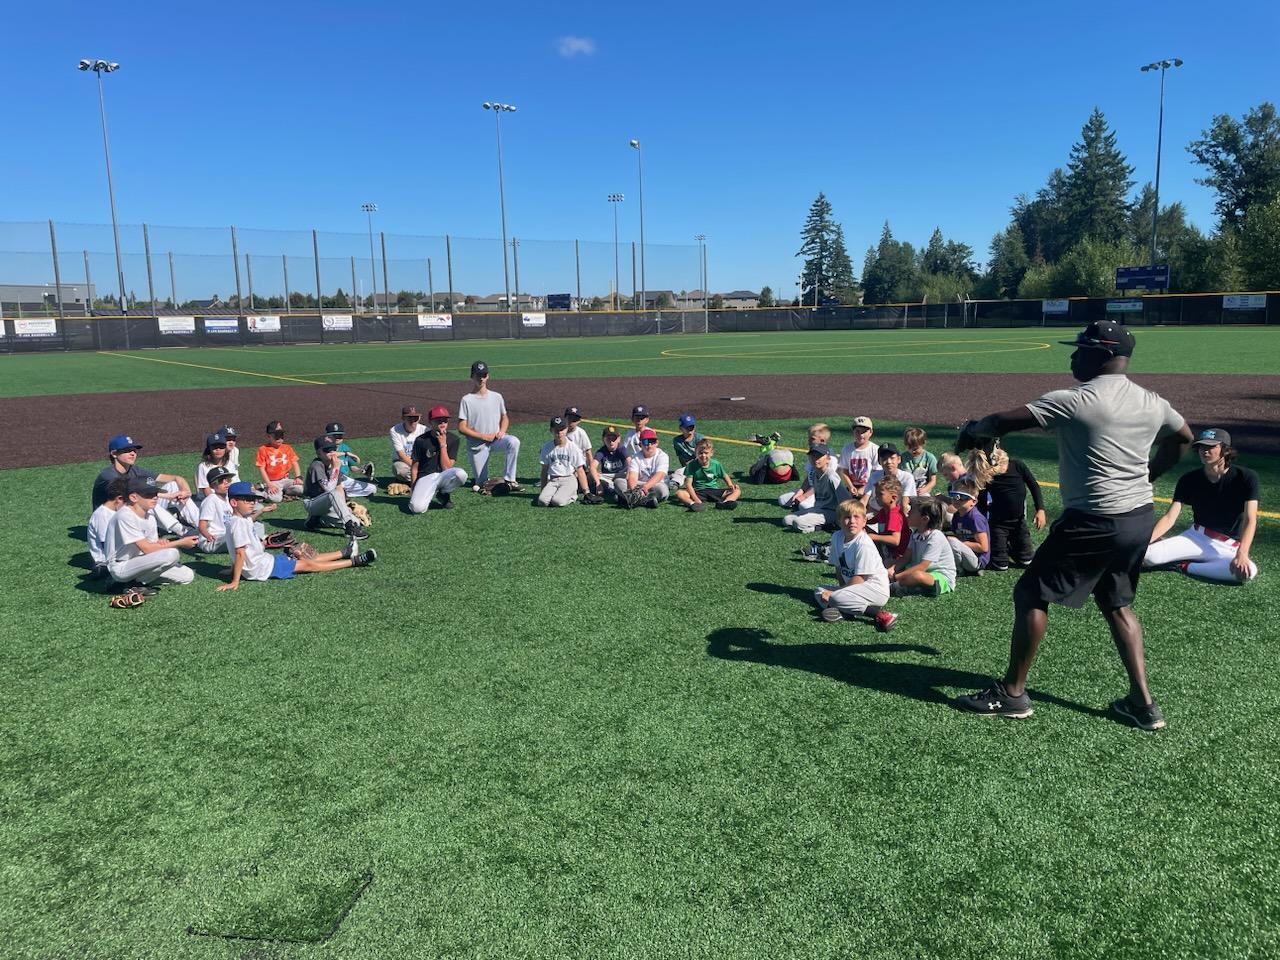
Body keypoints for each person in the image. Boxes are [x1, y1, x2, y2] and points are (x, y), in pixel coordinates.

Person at [953, 320, 1192, 730]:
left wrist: (972, 431)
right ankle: (1143, 704)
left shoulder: (1076, 400)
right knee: (1117, 603)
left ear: (1101, 354)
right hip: (1136, 518)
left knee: (1031, 591)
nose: (1072, 356)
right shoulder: (1152, 401)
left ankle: (1012, 694)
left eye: (1080, 349)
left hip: (1093, 520)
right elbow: (1184, 436)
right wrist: (1150, 475)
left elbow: (1001, 421)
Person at [1143, 427, 1260, 583]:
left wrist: (1242, 553)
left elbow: (1250, 520)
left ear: (1225, 450)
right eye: (1201, 447)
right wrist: (1146, 542)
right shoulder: (1189, 479)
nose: (1204, 451)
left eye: (1211, 447)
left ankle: (1183, 565)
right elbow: (1170, 517)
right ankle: (1175, 555)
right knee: (1145, 556)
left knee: (1247, 572)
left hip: (1228, 547)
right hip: (1195, 537)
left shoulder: (1246, 477)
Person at [218, 482, 375, 590]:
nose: (252, 503)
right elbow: (239, 553)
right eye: (246, 500)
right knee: (308, 564)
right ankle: (354, 561)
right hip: (263, 568)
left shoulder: (241, 520)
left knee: (305, 557)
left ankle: (344, 553)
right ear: (233, 503)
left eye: (253, 499)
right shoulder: (238, 523)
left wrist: (231, 569)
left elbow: (239, 551)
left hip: (266, 561)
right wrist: (235, 581)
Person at [813, 499, 896, 631]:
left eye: (856, 517)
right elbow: (838, 567)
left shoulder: (863, 543)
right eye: (847, 517)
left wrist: (839, 592)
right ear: (839, 521)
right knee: (819, 591)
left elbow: (860, 578)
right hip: (855, 587)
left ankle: (878, 614)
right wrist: (842, 588)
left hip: (875, 589)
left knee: (834, 597)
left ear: (864, 521)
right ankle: (845, 612)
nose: (852, 521)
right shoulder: (836, 537)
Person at [104, 476, 199, 588]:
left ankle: (139, 582)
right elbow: (147, 549)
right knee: (172, 553)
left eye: (155, 494)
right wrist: (180, 542)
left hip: (142, 562)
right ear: (134, 497)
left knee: (187, 576)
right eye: (148, 495)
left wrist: (161, 543)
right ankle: (132, 584)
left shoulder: (149, 517)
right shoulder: (125, 516)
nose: (154, 498)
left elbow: (151, 546)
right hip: (122, 567)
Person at [92, 433, 198, 533]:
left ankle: (202, 526)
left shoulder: (134, 470)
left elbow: (175, 478)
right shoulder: (108, 476)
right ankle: (183, 531)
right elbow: (130, 497)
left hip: (133, 511)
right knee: (147, 500)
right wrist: (167, 496)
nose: (133, 453)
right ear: (114, 454)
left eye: (134, 450)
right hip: (112, 521)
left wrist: (186, 492)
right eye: (127, 450)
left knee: (173, 485)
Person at [975, 447, 1046, 571]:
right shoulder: (988, 474)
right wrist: (982, 524)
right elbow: (982, 498)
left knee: (1027, 561)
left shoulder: (1017, 465)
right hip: (998, 524)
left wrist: (1040, 509)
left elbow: (1033, 485)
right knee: (1000, 565)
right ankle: (1002, 547)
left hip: (1018, 521)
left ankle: (1011, 548)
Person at [458, 361, 522, 490]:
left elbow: (505, 417)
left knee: (513, 442)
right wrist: (483, 437)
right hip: (477, 445)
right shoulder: (466, 399)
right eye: (477, 375)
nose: (481, 378)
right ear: (472, 376)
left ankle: (510, 480)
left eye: (484, 375)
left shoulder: (496, 396)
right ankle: (487, 481)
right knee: (482, 484)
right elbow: (462, 427)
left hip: (496, 440)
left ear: (488, 376)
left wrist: (502, 431)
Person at [887, 498, 956, 598]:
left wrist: (895, 577)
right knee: (889, 562)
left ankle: (893, 587)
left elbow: (923, 566)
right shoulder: (915, 533)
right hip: (918, 570)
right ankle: (910, 587)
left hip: (940, 577)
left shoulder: (935, 536)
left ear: (924, 519)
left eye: (912, 510)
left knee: (917, 576)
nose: (908, 511)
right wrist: (891, 569)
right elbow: (906, 557)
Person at [302, 436, 367, 538]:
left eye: (334, 448)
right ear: (319, 453)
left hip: (328, 503)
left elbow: (339, 487)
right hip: (312, 503)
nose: (332, 452)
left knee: (357, 522)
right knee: (334, 495)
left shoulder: (332, 463)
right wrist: (336, 468)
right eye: (328, 450)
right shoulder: (316, 465)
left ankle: (317, 520)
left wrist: (345, 507)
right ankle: (350, 528)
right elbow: (329, 489)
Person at [409, 405, 469, 514]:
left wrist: (443, 444)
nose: (442, 424)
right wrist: (413, 486)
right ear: (431, 422)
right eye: (439, 421)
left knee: (461, 474)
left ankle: (443, 493)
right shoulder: (421, 440)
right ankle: (425, 494)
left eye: (445, 421)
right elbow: (414, 466)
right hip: (425, 477)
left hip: (443, 476)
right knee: (417, 509)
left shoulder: (453, 439)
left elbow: (447, 467)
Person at [783, 443, 849, 533]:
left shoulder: (831, 477)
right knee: (787, 520)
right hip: (818, 509)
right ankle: (823, 524)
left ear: (828, 459)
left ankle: (825, 526)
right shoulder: (813, 474)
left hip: (831, 512)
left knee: (798, 523)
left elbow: (846, 500)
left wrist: (842, 518)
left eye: (819, 456)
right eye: (813, 456)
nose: (815, 459)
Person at [536, 416, 591, 507]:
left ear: (566, 429)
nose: (559, 432)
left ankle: (573, 495)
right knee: (542, 501)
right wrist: (543, 489)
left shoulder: (573, 448)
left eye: (562, 429)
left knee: (557, 502)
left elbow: (580, 470)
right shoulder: (546, 447)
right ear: (551, 430)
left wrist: (586, 492)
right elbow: (544, 470)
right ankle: (557, 493)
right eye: (556, 430)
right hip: (553, 480)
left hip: (569, 479)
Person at [675, 438, 740, 512]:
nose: (703, 455)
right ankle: (692, 504)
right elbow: (688, 485)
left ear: (711, 453)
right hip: (698, 491)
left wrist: (730, 485)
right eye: (700, 453)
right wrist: (696, 500)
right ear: (696, 452)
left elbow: (724, 475)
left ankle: (725, 503)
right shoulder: (691, 465)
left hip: (713, 490)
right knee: (679, 493)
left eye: (706, 453)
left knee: (737, 491)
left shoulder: (716, 464)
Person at [945, 479, 990, 575]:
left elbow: (983, 547)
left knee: (952, 541)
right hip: (966, 554)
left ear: (973, 501)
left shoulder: (975, 518)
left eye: (962, 497)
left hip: (977, 560)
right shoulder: (957, 515)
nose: (957, 499)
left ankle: (958, 569)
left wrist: (960, 543)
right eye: (953, 495)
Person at [779, 424, 830, 509]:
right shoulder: (812, 454)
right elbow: (809, 477)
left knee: (803, 506)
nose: (808, 441)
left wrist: (804, 496)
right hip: (810, 489)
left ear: (822, 441)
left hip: (822, 493)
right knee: (782, 500)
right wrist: (800, 491)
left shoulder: (828, 458)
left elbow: (821, 485)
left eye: (812, 438)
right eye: (809, 437)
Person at [616, 427, 669, 508]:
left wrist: (643, 489)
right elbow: (633, 477)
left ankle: (627, 499)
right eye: (646, 442)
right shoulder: (636, 457)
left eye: (652, 441)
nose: (649, 445)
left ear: (657, 443)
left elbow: (659, 475)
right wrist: (634, 490)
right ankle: (645, 501)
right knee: (618, 482)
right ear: (640, 444)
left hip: (655, 485)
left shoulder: (662, 456)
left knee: (663, 490)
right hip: (639, 484)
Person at [87, 477, 128, 578]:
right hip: (107, 561)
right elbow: (107, 545)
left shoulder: (116, 512)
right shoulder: (102, 516)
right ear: (119, 499)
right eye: (128, 502)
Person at [323, 421, 377, 497]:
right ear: (328, 436)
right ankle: (341, 492)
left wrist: (361, 470)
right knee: (334, 489)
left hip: (344, 479)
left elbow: (352, 467)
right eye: (334, 436)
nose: (337, 438)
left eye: (340, 435)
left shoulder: (345, 447)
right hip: (331, 479)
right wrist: (346, 453)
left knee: (372, 489)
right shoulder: (324, 447)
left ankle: (345, 493)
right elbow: (331, 455)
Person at [255, 420, 304, 502]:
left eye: (281, 435)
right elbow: (262, 468)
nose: (279, 439)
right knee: (276, 499)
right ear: (269, 436)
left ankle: (283, 492)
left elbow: (295, 462)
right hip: (272, 481)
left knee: (299, 489)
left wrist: (298, 477)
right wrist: (269, 484)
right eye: (276, 436)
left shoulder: (287, 448)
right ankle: (261, 491)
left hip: (285, 480)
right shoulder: (263, 449)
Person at [867, 476, 910, 566]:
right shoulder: (884, 511)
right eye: (876, 494)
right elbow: (871, 521)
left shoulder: (895, 515)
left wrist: (873, 536)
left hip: (897, 556)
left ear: (893, 498)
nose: (876, 497)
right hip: (887, 551)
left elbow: (895, 540)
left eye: (880, 494)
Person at [866, 443, 918, 511]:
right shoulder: (874, 476)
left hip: (898, 512)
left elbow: (905, 503)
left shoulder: (907, 477)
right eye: (884, 459)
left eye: (892, 458)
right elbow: (865, 498)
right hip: (876, 511)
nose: (889, 462)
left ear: (899, 459)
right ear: (879, 461)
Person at [837, 416, 879, 500]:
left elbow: (876, 473)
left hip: (870, 487)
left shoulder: (875, 449)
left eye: (864, 432)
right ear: (853, 432)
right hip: (852, 487)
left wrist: (864, 488)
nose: (861, 435)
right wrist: (851, 486)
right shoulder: (847, 449)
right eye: (857, 431)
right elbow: (844, 470)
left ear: (870, 432)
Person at [564, 406, 603, 495]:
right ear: (565, 418)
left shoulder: (581, 433)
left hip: (579, 466)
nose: (571, 421)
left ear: (579, 421)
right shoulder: (561, 432)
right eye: (569, 418)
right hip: (565, 464)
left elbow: (588, 453)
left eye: (574, 419)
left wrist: (592, 469)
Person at [389, 405, 427, 483]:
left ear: (419, 418)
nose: (413, 420)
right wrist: (418, 468)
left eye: (415, 418)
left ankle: (416, 481)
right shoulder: (395, 430)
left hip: (422, 463)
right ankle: (423, 481)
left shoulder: (425, 430)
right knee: (399, 469)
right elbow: (401, 456)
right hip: (404, 463)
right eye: (409, 418)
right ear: (403, 418)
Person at [593, 426, 629, 500]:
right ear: (603, 439)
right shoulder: (602, 451)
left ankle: (615, 489)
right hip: (607, 477)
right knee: (593, 476)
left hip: (620, 475)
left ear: (619, 439)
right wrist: (598, 484)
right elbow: (593, 466)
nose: (611, 441)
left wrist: (628, 477)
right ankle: (614, 489)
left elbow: (630, 462)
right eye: (608, 439)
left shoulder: (621, 449)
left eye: (614, 439)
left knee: (625, 477)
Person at [195, 432, 233, 500]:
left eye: (221, 447)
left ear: (225, 448)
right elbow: (206, 490)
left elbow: (235, 484)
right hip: (209, 500)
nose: (218, 449)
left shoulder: (230, 464)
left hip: (228, 499)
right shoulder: (203, 466)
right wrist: (221, 503)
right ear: (209, 449)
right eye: (214, 447)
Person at [669, 413, 703, 488]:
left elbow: (703, 456)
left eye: (692, 427)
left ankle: (675, 483)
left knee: (680, 471)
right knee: (683, 470)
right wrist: (685, 465)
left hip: (701, 465)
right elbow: (680, 456)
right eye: (687, 427)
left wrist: (690, 464)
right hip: (688, 467)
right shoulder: (677, 441)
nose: (690, 429)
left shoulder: (700, 438)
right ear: (681, 428)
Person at [902, 427, 938, 495]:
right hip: (906, 491)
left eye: (916, 448)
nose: (913, 450)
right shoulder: (902, 458)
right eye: (909, 447)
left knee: (926, 502)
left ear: (923, 443)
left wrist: (925, 489)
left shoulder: (929, 458)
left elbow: (933, 480)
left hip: (922, 490)